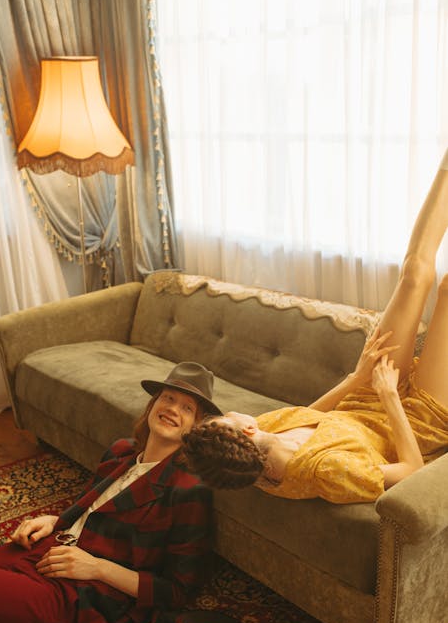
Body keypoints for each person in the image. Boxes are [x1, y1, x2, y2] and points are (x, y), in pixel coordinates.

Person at [183, 150, 448, 504]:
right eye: (226, 418)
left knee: (414, 272)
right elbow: (411, 470)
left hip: (367, 394)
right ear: (244, 431)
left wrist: (358, 376)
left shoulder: (258, 440)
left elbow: (309, 415)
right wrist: (389, 396)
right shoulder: (324, 472)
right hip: (417, 424)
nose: (229, 412)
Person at [0, 362, 221, 623]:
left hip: (73, 594)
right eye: (168, 398)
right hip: (46, 549)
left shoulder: (189, 491)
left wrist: (96, 568)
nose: (173, 409)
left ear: (196, 427)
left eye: (187, 408)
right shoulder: (120, 453)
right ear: (153, 404)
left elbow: (177, 592)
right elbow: (95, 511)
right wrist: (56, 520)